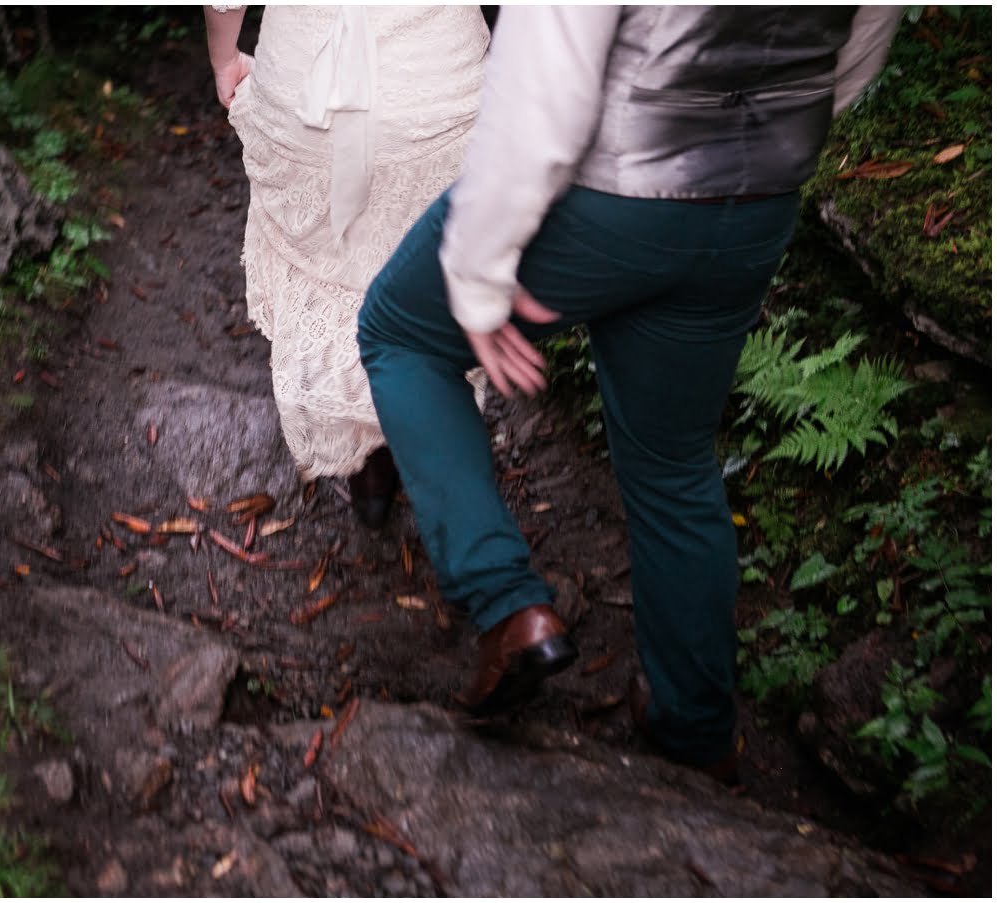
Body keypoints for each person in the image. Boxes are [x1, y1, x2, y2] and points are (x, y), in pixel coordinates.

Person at [356, 6, 901, 782]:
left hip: (605, 188)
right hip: (753, 201)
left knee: (401, 332)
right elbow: (858, 49)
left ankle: (506, 603)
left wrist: (478, 268)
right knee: (675, 461)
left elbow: (545, 71)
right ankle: (695, 724)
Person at [204, 5, 490, 526]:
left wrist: (224, 55)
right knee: (434, 274)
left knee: (341, 270)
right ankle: (438, 458)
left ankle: (372, 470)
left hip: (309, 86)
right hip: (435, 82)